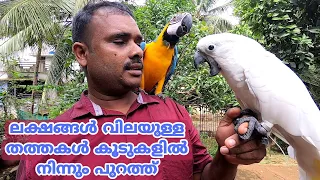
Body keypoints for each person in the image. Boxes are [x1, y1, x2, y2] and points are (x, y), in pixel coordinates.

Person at [15, 1, 266, 179]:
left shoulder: (175, 115)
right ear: (82, 53)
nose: (137, 50)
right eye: (119, 41)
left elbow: (202, 175)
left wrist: (226, 156)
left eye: (137, 41)